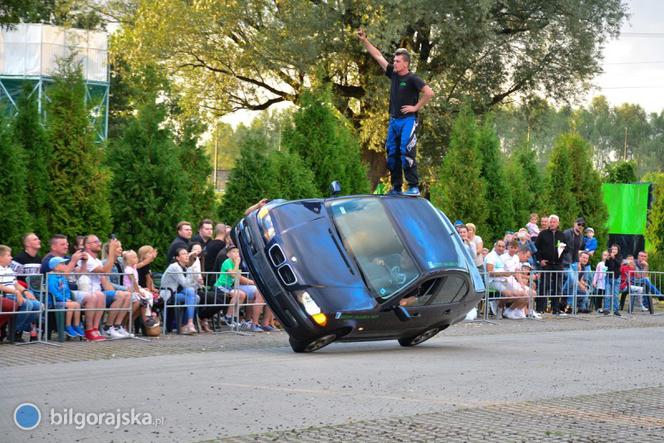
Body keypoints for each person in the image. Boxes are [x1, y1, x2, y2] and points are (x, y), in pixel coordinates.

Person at [357, 28, 434, 196]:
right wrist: (365, 41)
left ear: (405, 64)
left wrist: (415, 107)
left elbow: (429, 93)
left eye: (398, 61)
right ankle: (396, 187)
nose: (394, 62)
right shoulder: (394, 74)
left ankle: (413, 187)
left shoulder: (413, 79)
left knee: (406, 150)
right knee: (392, 153)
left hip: (408, 120)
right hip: (394, 120)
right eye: (394, 60)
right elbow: (378, 56)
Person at [214, 246, 274, 332]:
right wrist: (237, 263)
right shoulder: (227, 262)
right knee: (238, 294)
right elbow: (234, 275)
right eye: (233, 252)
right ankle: (227, 316)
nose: (236, 254)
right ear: (228, 254)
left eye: (237, 252)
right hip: (222, 285)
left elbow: (237, 277)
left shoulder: (234, 264)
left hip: (230, 286)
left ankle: (233, 316)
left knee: (241, 294)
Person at [0, 245, 42, 342]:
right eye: (9, 255)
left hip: (14, 295)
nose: (11, 258)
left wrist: (25, 291)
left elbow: (16, 284)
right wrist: (16, 292)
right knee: (28, 305)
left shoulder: (9, 269)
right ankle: (13, 332)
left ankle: (17, 329)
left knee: (39, 306)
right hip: (5, 295)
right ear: (1, 258)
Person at [160, 247, 200, 335]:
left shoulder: (183, 267)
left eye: (187, 253)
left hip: (176, 292)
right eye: (184, 254)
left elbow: (190, 286)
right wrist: (190, 269)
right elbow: (185, 284)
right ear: (177, 258)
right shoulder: (175, 267)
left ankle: (185, 324)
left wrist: (198, 283)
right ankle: (188, 323)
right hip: (168, 293)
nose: (186, 256)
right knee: (192, 294)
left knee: (196, 297)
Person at [534, 214, 568, 315]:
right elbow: (536, 249)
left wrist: (563, 249)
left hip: (558, 264)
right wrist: (540, 260)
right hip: (546, 264)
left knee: (557, 287)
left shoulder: (562, 235)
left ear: (558, 223)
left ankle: (555, 309)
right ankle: (540, 308)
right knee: (545, 285)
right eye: (551, 222)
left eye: (554, 222)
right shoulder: (543, 234)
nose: (552, 224)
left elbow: (567, 248)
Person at [47, 257, 85, 338]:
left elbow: (67, 289)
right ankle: (67, 326)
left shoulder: (63, 277)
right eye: (62, 264)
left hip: (64, 300)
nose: (65, 265)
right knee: (71, 305)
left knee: (77, 304)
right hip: (54, 302)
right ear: (56, 267)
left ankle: (76, 325)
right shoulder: (51, 277)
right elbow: (53, 291)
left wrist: (68, 298)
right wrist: (64, 299)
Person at [122, 250, 159, 328]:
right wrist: (139, 291)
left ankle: (147, 316)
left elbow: (143, 263)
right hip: (130, 289)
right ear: (129, 260)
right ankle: (145, 318)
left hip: (136, 288)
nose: (137, 258)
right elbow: (134, 282)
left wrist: (151, 257)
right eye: (134, 257)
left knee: (148, 295)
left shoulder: (134, 267)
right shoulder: (128, 269)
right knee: (144, 297)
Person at [561, 217, 587, 312]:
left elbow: (576, 251)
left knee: (574, 284)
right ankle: (561, 293)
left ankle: (569, 305)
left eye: (582, 225)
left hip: (574, 262)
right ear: (574, 224)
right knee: (572, 280)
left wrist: (578, 262)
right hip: (565, 262)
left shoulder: (581, 236)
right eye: (579, 224)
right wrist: (560, 259)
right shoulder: (567, 233)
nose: (580, 226)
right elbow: (560, 246)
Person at [603, 244, 622, 316]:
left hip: (616, 277)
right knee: (607, 294)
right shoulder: (610, 256)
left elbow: (619, 264)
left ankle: (615, 310)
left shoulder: (619, 256)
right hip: (608, 277)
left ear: (618, 250)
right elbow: (606, 265)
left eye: (615, 249)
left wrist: (614, 258)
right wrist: (607, 259)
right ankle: (606, 309)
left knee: (615, 294)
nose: (613, 250)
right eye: (612, 249)